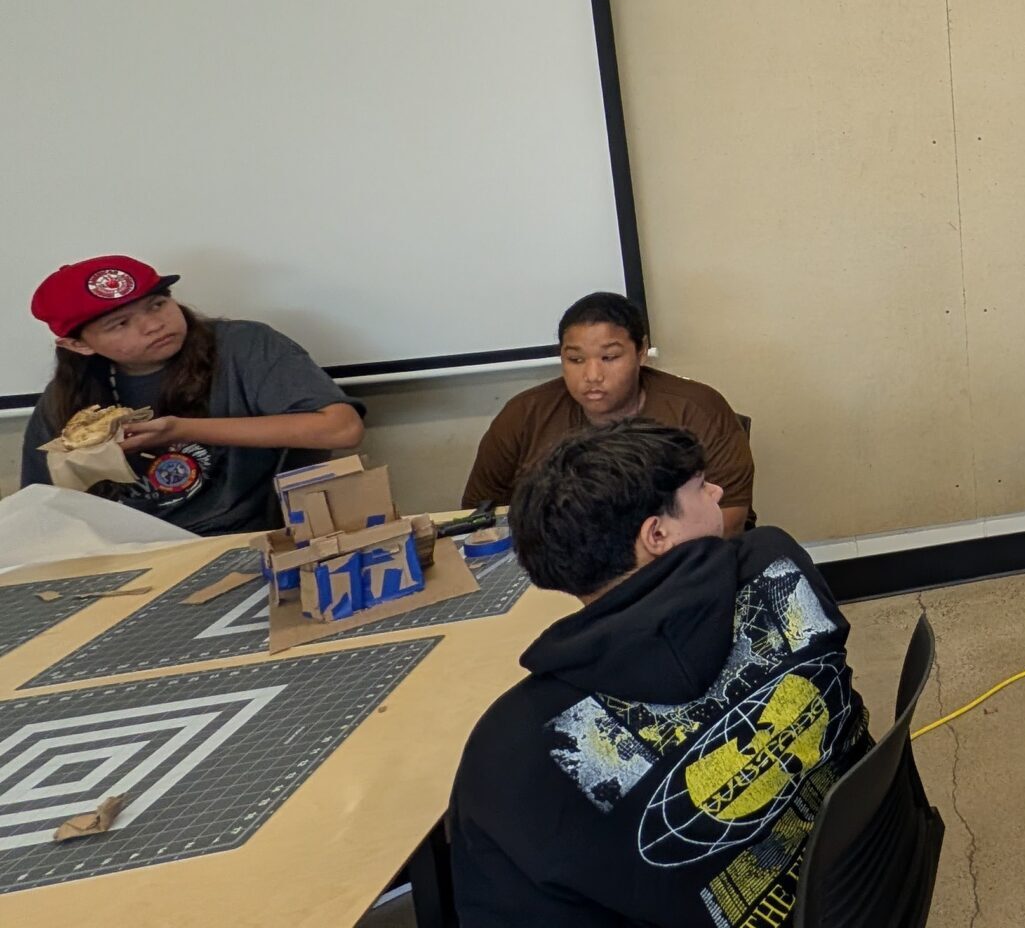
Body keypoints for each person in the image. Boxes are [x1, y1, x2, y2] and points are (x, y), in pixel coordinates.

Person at [450, 418, 869, 927]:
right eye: (700, 487)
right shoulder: (775, 563)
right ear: (657, 534)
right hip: (865, 863)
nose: (717, 490)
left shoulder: (511, 751)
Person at [19, 255, 365, 535]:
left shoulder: (243, 346)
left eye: (157, 305)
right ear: (77, 345)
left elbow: (341, 428)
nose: (154, 325)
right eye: (120, 324)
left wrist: (180, 430)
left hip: (237, 539)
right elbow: (43, 510)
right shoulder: (68, 400)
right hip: (126, 554)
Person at [463, 292, 755, 532]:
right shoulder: (523, 415)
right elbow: (479, 513)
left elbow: (730, 517)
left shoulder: (697, 410)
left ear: (641, 351)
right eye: (575, 359)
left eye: (609, 357)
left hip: (674, 566)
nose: (592, 375)